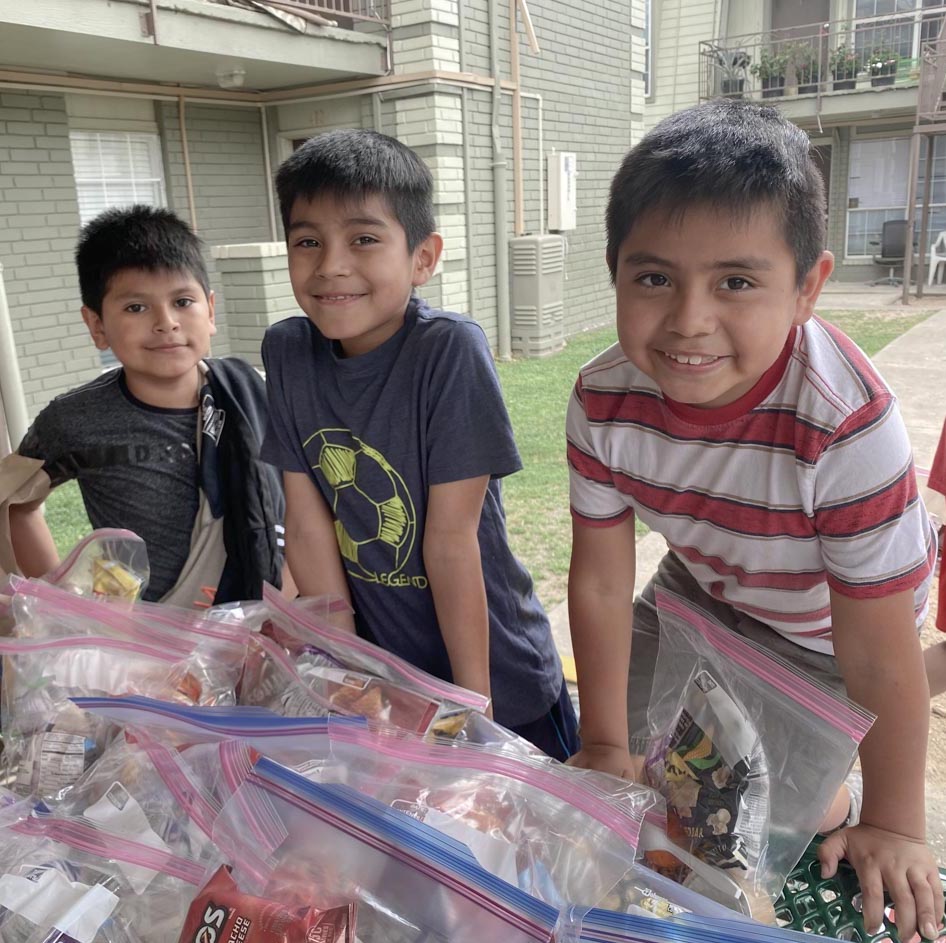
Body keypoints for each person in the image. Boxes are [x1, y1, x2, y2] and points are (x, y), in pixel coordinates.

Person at [566, 98, 942, 941]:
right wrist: (600, 740)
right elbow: (598, 577)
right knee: (629, 776)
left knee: (747, 824)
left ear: (807, 287)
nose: (689, 320)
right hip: (702, 587)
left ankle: (832, 777)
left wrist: (892, 819)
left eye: (736, 281)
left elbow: (876, 652)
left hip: (828, 628)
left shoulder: (845, 423)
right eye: (654, 277)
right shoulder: (601, 398)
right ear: (615, 269)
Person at [260, 129, 577, 760]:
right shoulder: (288, 351)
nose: (331, 265)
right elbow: (306, 514)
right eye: (307, 241)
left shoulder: (448, 350)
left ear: (423, 257)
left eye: (364, 239)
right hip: (389, 685)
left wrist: (473, 713)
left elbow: (452, 540)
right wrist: (351, 671)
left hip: (496, 677)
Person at [6, 205, 286, 606]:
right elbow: (16, 504)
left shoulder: (254, 394)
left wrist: (287, 603)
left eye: (183, 301)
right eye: (136, 307)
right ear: (97, 325)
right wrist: (60, 602)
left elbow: (303, 502)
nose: (166, 322)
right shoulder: (74, 420)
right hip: (145, 646)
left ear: (210, 310)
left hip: (257, 623)